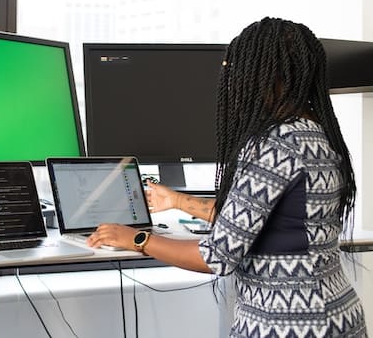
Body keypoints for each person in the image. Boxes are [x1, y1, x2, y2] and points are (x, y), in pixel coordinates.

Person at [87, 17, 368, 337]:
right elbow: (270, 220)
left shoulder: (272, 144)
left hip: (288, 324)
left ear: (261, 76)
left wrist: (138, 239)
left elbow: (217, 257)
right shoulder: (319, 133)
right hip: (339, 318)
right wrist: (179, 201)